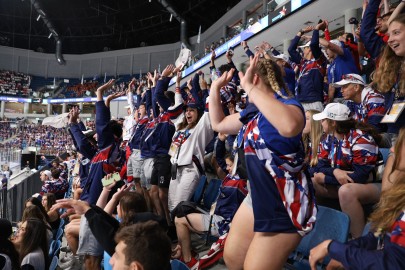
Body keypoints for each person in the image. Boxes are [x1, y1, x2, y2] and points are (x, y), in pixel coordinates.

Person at [209, 54, 317, 269]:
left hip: (285, 205)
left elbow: (288, 126)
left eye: (247, 78)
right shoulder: (253, 112)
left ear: (256, 79)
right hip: (257, 196)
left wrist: (249, 87)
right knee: (233, 259)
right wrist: (214, 88)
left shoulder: (288, 104)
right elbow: (218, 123)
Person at [309, 127, 405, 270]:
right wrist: (346, 251)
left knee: (346, 191)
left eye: (401, 144)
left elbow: (392, 263)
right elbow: (376, 236)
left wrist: (335, 249)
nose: (392, 151)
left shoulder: (360, 139)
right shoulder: (400, 194)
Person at [312, 103, 381, 238]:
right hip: (345, 182)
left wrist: (325, 178)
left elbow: (360, 177)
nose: (321, 122)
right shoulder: (329, 138)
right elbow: (318, 167)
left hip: (376, 185)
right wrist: (334, 172)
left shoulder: (360, 138)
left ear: (333, 123)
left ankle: (358, 240)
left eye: (324, 119)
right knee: (312, 182)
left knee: (346, 191)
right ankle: (323, 232)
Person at [173, 152, 248, 268]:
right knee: (180, 213)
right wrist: (221, 142)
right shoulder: (230, 177)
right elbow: (220, 160)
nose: (226, 168)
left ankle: (188, 260)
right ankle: (185, 251)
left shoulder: (242, 184)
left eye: (229, 165)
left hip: (224, 223)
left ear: (238, 165)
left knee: (180, 220)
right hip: (217, 216)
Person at [372, 14, 405, 145]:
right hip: (395, 137)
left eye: (396, 33)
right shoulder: (391, 71)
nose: (390, 40)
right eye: (389, 35)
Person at [288, 22, 327, 112]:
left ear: (309, 49)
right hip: (301, 101)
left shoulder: (320, 60)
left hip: (314, 101)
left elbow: (314, 45)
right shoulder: (302, 63)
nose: (302, 51)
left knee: (316, 126)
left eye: (304, 48)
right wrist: (301, 32)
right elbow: (291, 49)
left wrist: (316, 29)